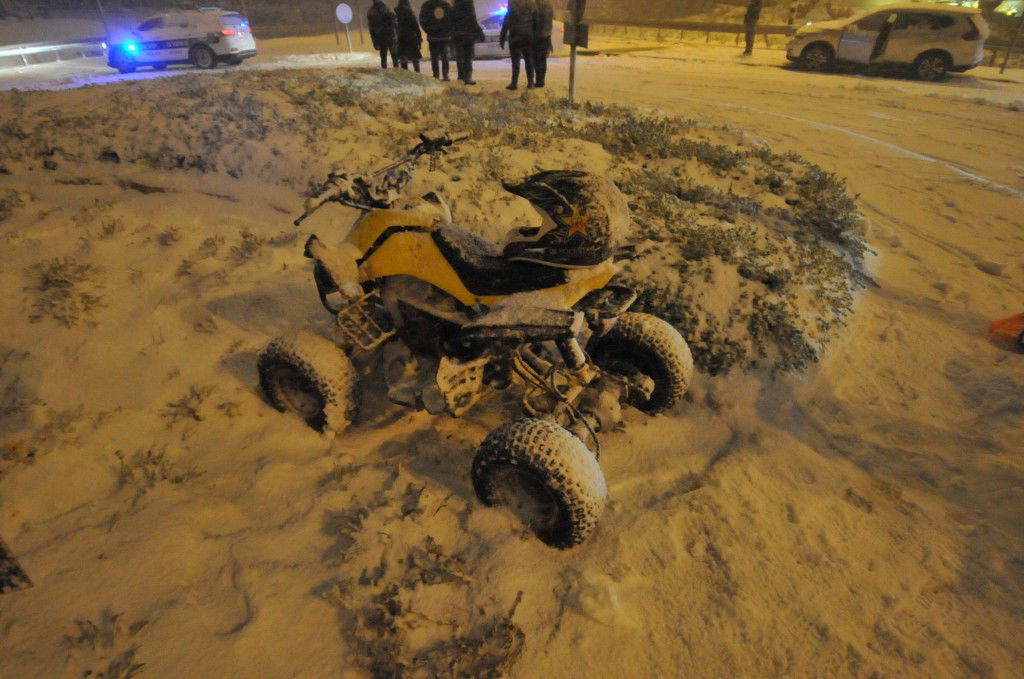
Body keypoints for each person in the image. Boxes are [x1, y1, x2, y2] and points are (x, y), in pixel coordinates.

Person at [500, 0, 536, 90]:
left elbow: (507, 20)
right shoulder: (531, 3)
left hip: (515, 35)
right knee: (529, 60)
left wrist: (502, 37)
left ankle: (514, 83)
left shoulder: (512, 3)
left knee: (515, 61)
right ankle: (531, 83)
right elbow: (536, 20)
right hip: (527, 35)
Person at [451, 0, 484, 85]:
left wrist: (453, 32)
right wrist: (479, 31)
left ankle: (461, 76)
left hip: (458, 35)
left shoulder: (455, 4)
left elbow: (452, 20)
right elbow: (472, 20)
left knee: (460, 57)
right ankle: (468, 77)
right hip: (468, 35)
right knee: (468, 57)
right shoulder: (468, 3)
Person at [419, 0, 453, 80]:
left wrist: (428, 30)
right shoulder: (447, 5)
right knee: (445, 57)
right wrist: (448, 30)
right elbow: (452, 19)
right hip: (445, 36)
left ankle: (436, 75)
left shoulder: (427, 5)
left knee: (434, 57)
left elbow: (422, 20)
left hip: (433, 37)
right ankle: (445, 75)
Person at [368, 0, 398, 69]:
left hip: (380, 38)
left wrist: (374, 41)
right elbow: (395, 23)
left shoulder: (371, 11)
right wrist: (396, 34)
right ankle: (397, 73)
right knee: (394, 57)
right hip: (391, 36)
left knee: (383, 58)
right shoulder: (388, 8)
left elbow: (372, 29)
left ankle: (384, 74)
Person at [395, 0, 422, 72]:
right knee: (415, 58)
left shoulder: (396, 13)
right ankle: (417, 73)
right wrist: (419, 38)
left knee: (403, 58)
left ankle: (405, 73)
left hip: (401, 38)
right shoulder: (410, 13)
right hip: (411, 38)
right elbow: (416, 27)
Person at [532, 0, 554, 88]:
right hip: (546, 36)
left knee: (537, 60)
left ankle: (539, 81)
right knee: (542, 60)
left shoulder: (536, 6)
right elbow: (550, 22)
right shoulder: (549, 5)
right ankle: (541, 80)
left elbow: (534, 22)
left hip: (537, 37)